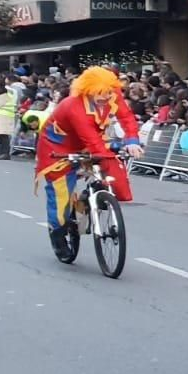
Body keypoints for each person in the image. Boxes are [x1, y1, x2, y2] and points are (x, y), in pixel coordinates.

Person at [34, 66, 143, 261]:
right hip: (58, 147)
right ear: (87, 91)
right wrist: (107, 153)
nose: (105, 97)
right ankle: (57, 234)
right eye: (99, 94)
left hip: (92, 139)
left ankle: (93, 196)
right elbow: (91, 140)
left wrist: (132, 141)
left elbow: (126, 117)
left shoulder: (111, 93)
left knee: (109, 170)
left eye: (109, 93)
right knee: (60, 196)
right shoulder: (73, 105)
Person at [0, 78, 18, 159]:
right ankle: (1, 153)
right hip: (1, 115)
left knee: (3, 135)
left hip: (5, 115)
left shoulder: (5, 94)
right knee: (0, 135)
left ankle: (5, 153)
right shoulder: (6, 93)